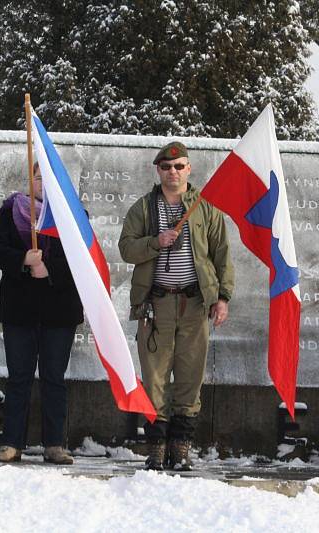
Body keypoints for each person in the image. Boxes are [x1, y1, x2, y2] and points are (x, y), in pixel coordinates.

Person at [118, 141, 234, 471]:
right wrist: (157, 242)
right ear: (158, 170)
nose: (173, 172)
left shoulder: (204, 208)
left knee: (190, 376)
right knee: (154, 378)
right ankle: (156, 448)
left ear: (189, 169)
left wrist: (222, 297)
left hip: (195, 303)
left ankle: (180, 448)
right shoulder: (144, 208)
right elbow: (126, 248)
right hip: (156, 304)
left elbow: (222, 254)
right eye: (167, 167)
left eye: (179, 166)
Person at [0, 163, 83, 465]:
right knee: (19, 378)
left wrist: (48, 269)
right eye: (37, 178)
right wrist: (23, 259)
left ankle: (54, 444)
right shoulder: (10, 210)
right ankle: (13, 443)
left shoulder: (71, 213)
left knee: (54, 378)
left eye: (47, 179)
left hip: (59, 311)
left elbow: (82, 257)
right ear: (29, 180)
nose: (42, 184)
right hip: (20, 310)